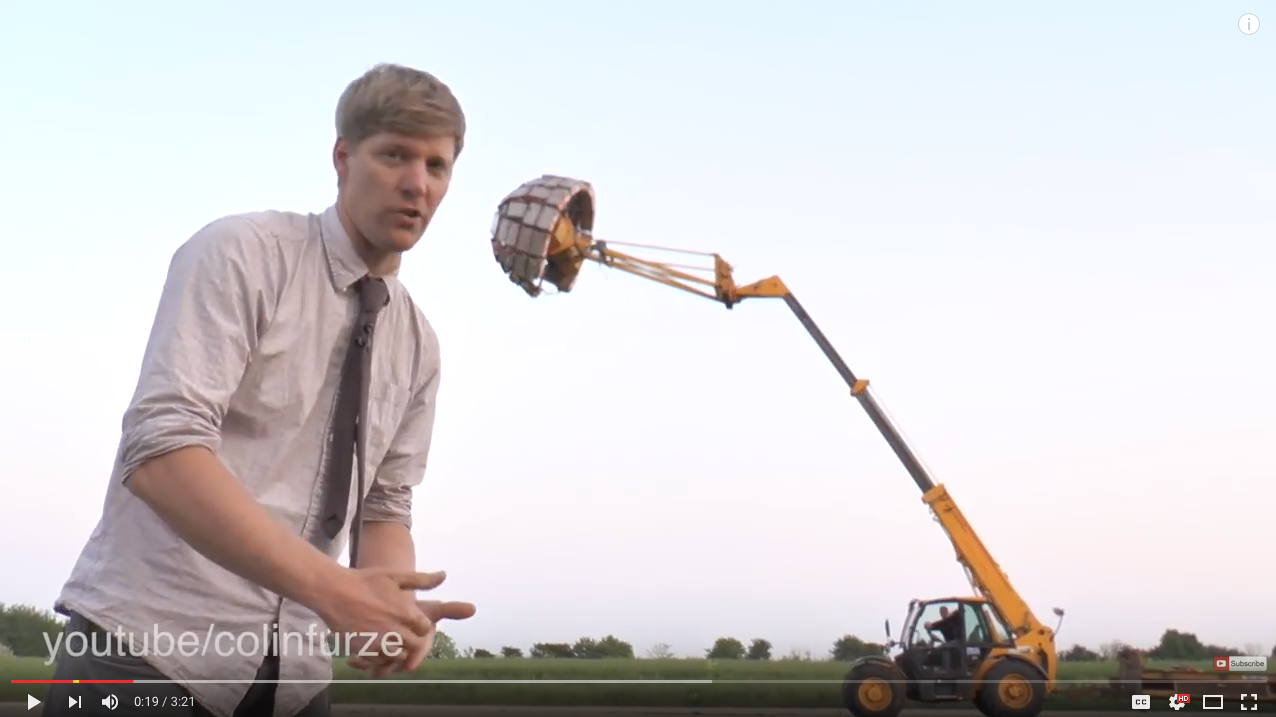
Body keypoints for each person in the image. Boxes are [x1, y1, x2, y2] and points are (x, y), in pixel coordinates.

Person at [43, 63, 475, 717]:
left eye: (437, 166)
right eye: (394, 156)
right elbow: (161, 452)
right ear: (342, 158)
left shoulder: (419, 345)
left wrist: (388, 604)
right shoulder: (241, 253)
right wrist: (334, 588)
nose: (417, 184)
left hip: (293, 680)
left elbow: (384, 504)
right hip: (149, 650)